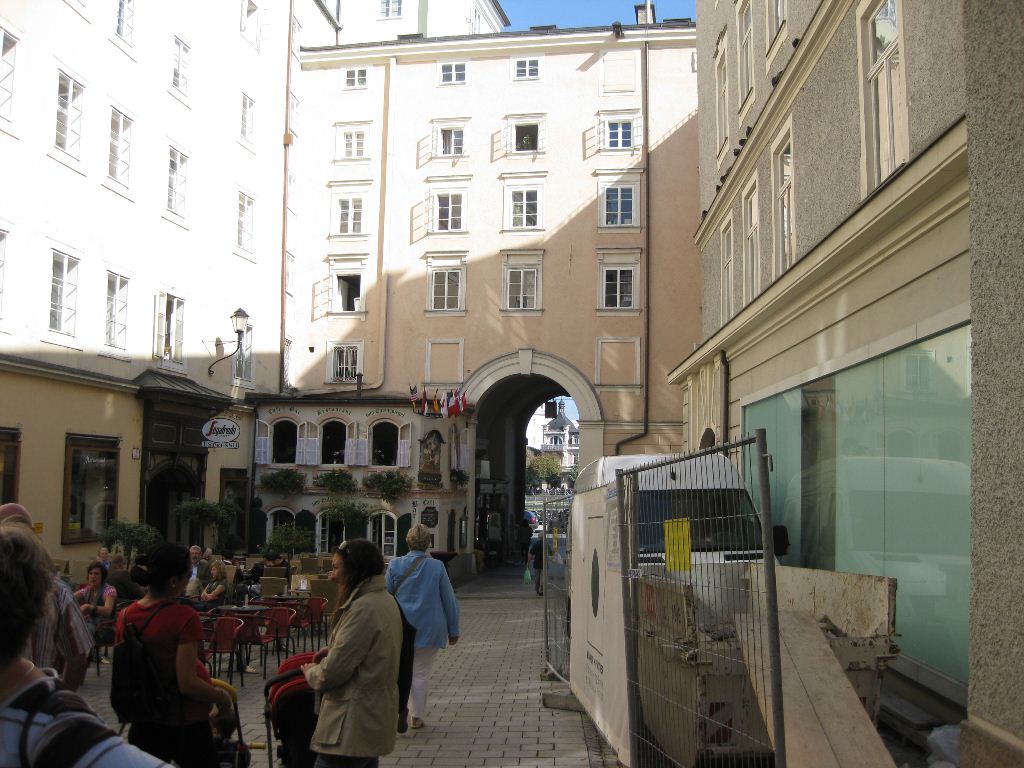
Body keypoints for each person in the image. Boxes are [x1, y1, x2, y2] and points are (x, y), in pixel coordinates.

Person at [0, 515, 170, 767]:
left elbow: (85, 645)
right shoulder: (59, 726)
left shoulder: (60, 732)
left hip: (103, 631)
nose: (92, 577)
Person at [116, 543, 233, 768]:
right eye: (187, 577)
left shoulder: (125, 616)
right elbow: (187, 682)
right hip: (184, 719)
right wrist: (220, 697)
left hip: (145, 718)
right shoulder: (184, 617)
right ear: (173, 581)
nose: (188, 582)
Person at [301, 539, 402, 768]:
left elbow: (333, 672)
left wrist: (312, 673)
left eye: (336, 568)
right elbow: (372, 650)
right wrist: (336, 648)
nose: (332, 575)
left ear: (355, 570)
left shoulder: (362, 608)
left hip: (351, 722)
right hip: (371, 716)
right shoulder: (384, 600)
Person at [0, 503, 92, 691]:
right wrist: (62, 694)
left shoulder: (58, 591)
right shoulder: (58, 591)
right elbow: (78, 656)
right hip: (39, 695)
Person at [385, 524, 460, 730]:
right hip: (429, 628)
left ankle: (399, 709)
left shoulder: (395, 565)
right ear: (428, 543)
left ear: (407, 542)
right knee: (420, 674)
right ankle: (416, 717)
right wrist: (453, 629)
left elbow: (385, 596)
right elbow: (449, 600)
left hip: (400, 628)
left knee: (400, 672)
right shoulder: (437, 567)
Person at [75, 561, 118, 643]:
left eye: (96, 574)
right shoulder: (87, 589)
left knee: (81, 631)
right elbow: (71, 597)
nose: (92, 576)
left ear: (103, 576)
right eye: (90, 573)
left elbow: (107, 611)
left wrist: (89, 607)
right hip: (91, 625)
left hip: (105, 628)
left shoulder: (109, 590)